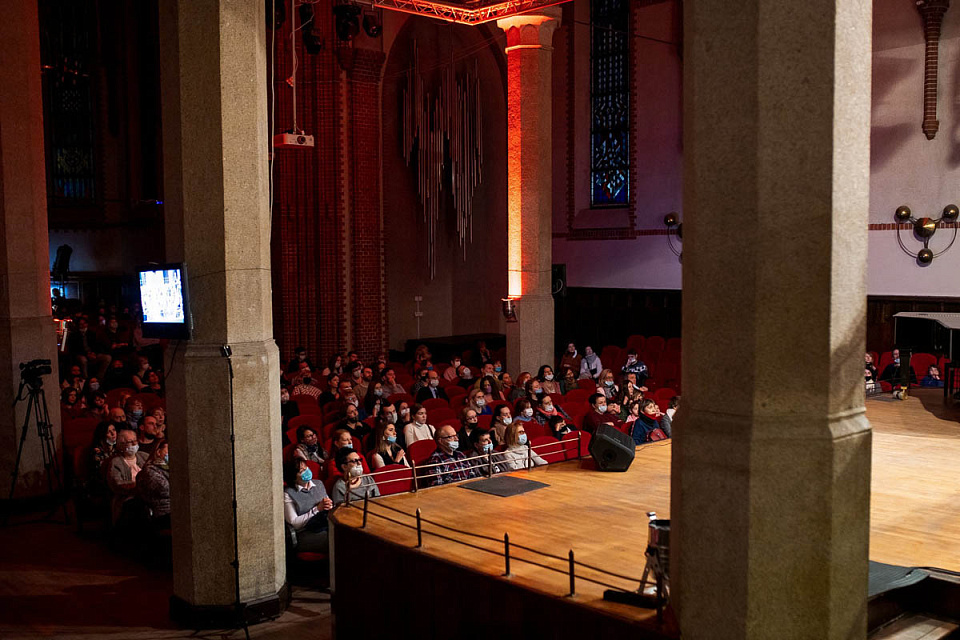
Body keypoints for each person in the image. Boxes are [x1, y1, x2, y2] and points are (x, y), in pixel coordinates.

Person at [283, 459, 334, 552]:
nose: (306, 471)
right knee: (335, 539)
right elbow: (294, 523)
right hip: (306, 532)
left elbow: (328, 505)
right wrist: (317, 509)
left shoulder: (318, 484)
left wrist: (328, 505)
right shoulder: (288, 493)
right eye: (301, 471)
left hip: (325, 524)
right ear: (293, 477)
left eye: (306, 468)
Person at [106, 428, 150, 524]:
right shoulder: (116, 462)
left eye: (135, 441)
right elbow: (117, 484)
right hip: (127, 497)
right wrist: (137, 487)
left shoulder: (145, 456)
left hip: (147, 494)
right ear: (122, 445)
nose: (134, 444)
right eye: (130, 442)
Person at [136, 439, 170, 527]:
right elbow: (165, 490)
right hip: (163, 512)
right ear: (158, 452)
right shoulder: (150, 470)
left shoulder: (171, 468)